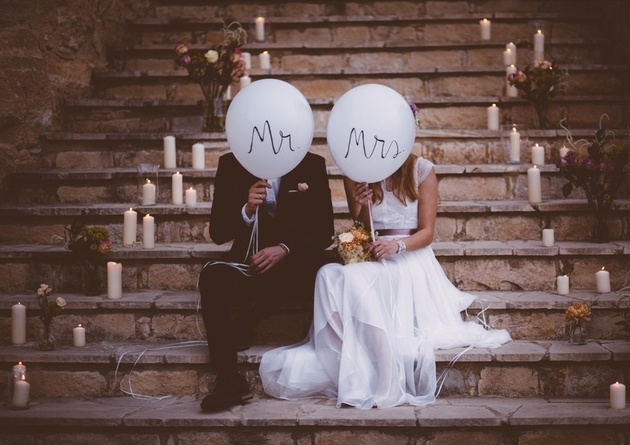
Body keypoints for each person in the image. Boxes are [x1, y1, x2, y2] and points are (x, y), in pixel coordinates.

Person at [259, 152, 512, 409]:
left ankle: (387, 371)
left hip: (410, 258)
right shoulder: (356, 173)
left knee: (354, 279)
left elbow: (427, 232)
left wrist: (397, 246)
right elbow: (363, 230)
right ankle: (351, 369)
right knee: (327, 274)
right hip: (376, 257)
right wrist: (362, 205)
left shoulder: (422, 170)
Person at [198, 151, 334, 412]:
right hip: (249, 261)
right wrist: (246, 209)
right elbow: (218, 232)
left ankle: (248, 321)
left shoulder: (311, 164)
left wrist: (285, 248)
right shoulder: (231, 163)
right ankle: (228, 379)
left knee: (327, 267)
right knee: (212, 276)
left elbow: (324, 230)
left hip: (295, 262)